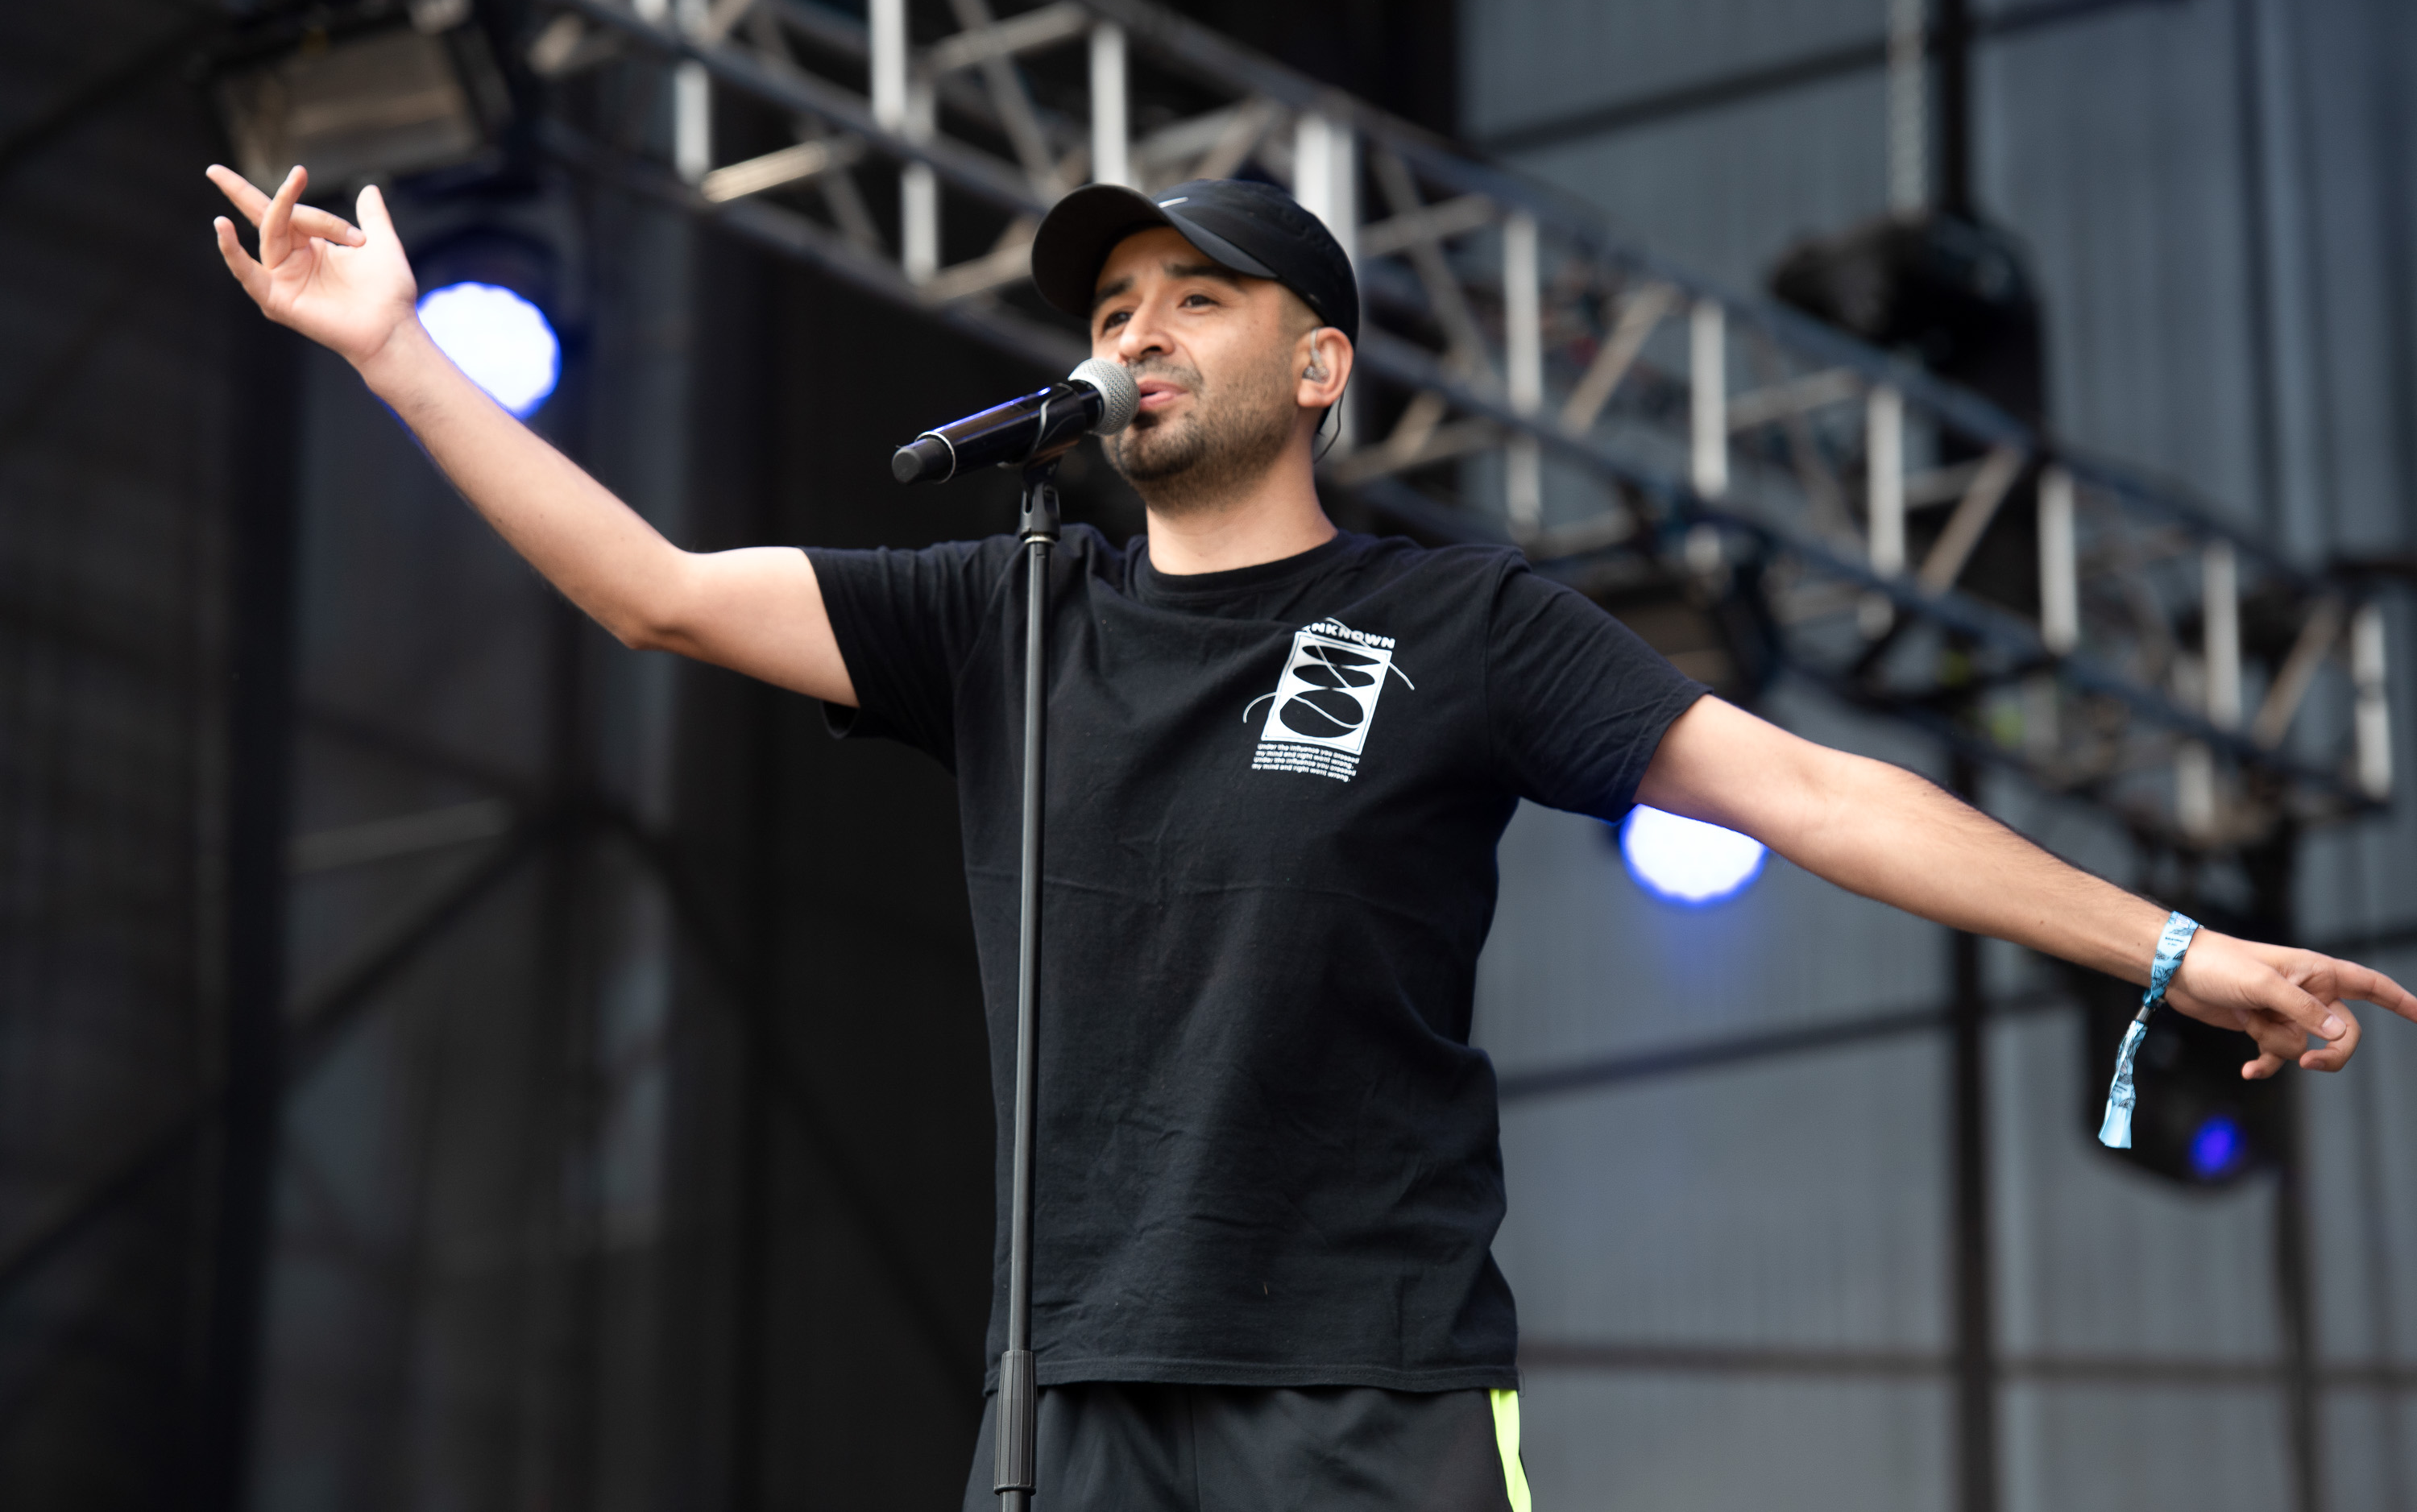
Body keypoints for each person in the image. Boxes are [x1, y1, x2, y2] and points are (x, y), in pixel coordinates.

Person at [208, 163, 2417, 1511]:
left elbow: (1821, 792)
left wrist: (2167, 945)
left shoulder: (1455, 621)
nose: (1136, 334)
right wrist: (400, 353)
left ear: (1323, 362)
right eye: (1103, 309)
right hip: (1065, 1401)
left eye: (1194, 298)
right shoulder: (1007, 613)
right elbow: (652, 588)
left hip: (1366, 1394)